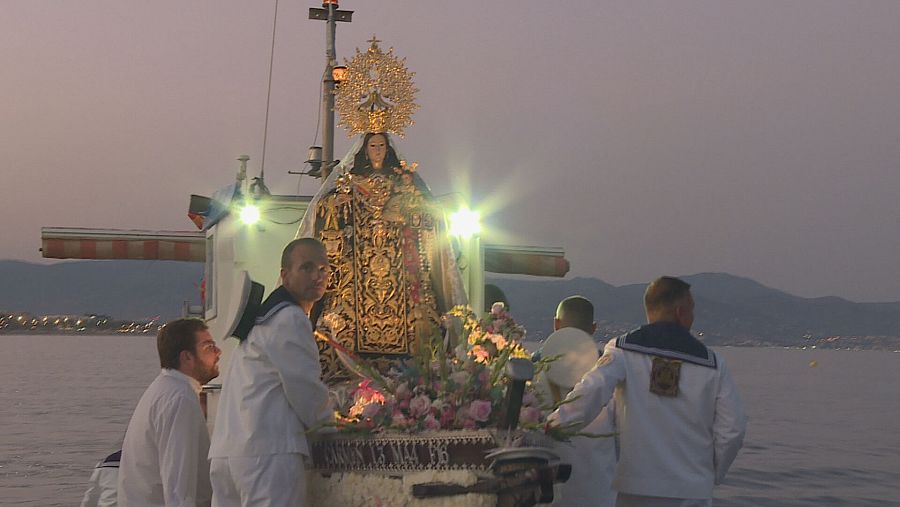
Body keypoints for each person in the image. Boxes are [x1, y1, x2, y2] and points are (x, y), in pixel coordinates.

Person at [549, 277, 747, 507]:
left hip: (638, 487)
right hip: (692, 491)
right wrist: (711, 473)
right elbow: (733, 429)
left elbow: (592, 390)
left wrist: (553, 424)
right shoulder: (713, 364)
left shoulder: (623, 350)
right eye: (692, 310)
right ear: (681, 312)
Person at [297, 132, 467, 380]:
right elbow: (324, 206)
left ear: (388, 149)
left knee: (424, 319)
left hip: (401, 269)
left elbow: (431, 213)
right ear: (365, 150)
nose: (377, 150)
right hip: (359, 269)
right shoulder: (352, 181)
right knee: (337, 319)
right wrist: (338, 200)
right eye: (373, 146)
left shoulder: (404, 182)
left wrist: (412, 205)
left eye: (381, 146)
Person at [209, 238, 334, 507]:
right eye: (307, 268)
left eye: (323, 269)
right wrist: (332, 422)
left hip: (228, 452)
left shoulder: (263, 320)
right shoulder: (289, 318)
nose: (317, 276)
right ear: (284, 275)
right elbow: (305, 390)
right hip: (267, 452)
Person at [118, 318, 220, 507]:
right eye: (209, 347)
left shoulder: (165, 389)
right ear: (187, 357)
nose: (218, 352)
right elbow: (178, 489)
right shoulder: (180, 399)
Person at [541, 296, 617, 507]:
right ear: (593, 328)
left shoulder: (533, 372)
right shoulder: (612, 377)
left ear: (556, 324)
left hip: (550, 494)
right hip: (599, 493)